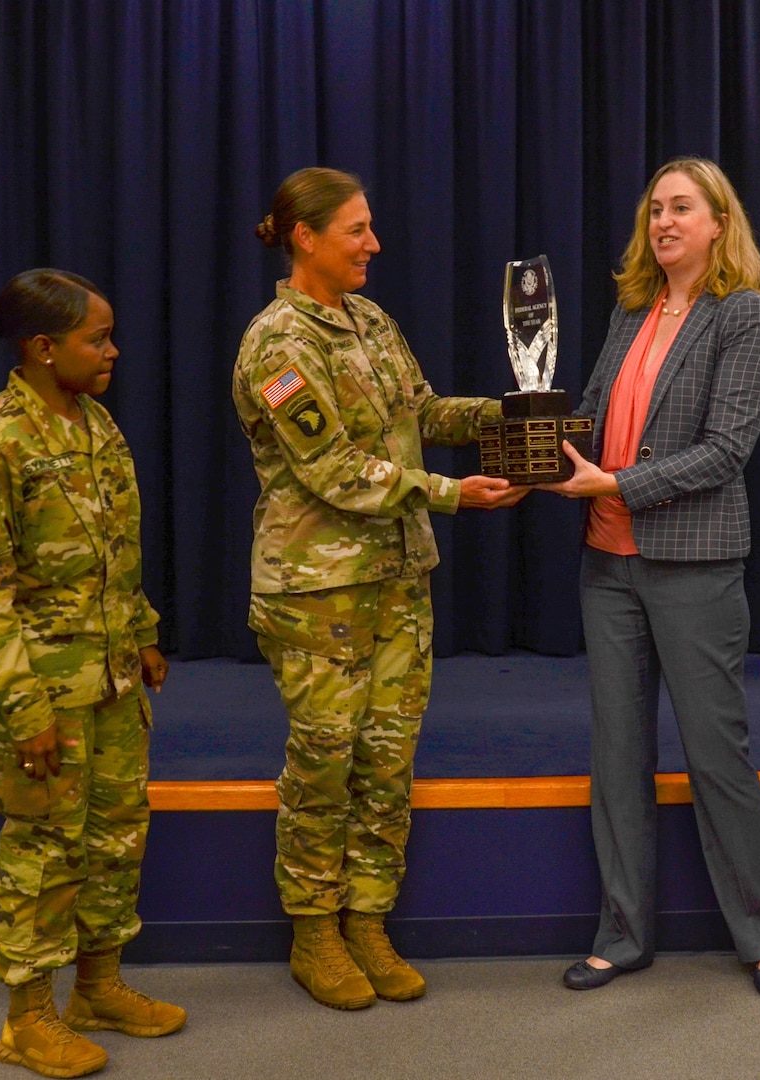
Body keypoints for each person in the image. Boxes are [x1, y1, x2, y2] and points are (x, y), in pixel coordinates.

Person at [233, 167, 526, 1010]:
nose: (374, 244)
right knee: (325, 762)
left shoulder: (369, 319)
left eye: (370, 228)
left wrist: (506, 415)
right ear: (306, 237)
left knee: (387, 760)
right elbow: (329, 469)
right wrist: (451, 493)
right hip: (317, 588)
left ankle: (368, 917)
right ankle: (313, 931)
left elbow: (422, 409)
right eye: (357, 230)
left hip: (397, 577)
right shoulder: (276, 344)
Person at [537, 158, 760, 998]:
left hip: (694, 566)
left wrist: (614, 483)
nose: (664, 223)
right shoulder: (631, 310)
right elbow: (596, 411)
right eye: (655, 209)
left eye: (682, 208)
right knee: (617, 757)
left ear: (720, 223)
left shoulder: (746, 316)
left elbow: (726, 451)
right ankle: (622, 935)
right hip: (607, 566)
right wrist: (539, 455)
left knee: (717, 755)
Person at [0, 268, 184, 1078]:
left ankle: (100, 988)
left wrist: (143, 633)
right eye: (96, 338)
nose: (111, 351)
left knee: (115, 839)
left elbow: (116, 552)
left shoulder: (96, 426)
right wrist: (22, 709)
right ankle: (27, 1018)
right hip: (39, 691)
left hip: (109, 680)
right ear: (44, 348)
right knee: (45, 850)